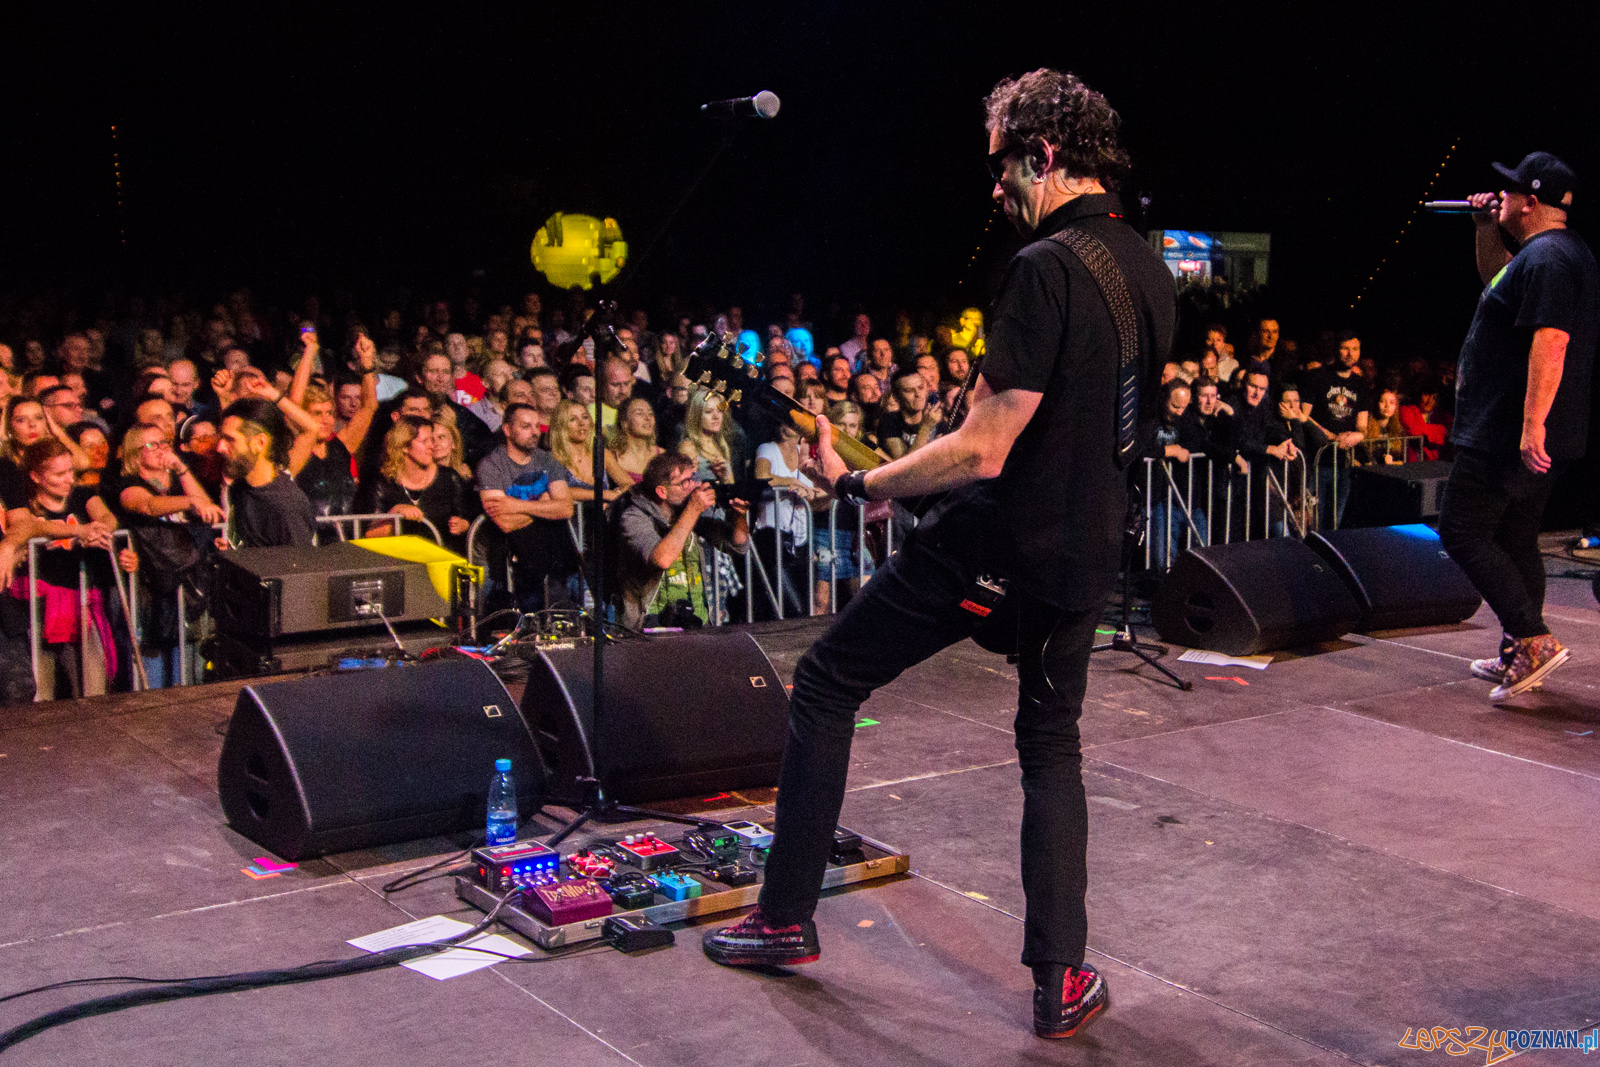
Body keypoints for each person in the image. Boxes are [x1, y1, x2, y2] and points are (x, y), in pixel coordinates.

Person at [700, 68, 1174, 1042]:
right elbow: (1090, 431)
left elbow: (987, 445)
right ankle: (1062, 978)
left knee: (828, 680)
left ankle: (784, 915)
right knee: (1051, 745)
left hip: (993, 548)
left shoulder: (1045, 269)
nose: (990, 185)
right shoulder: (1145, 264)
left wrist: (862, 484)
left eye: (1000, 163)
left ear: (1041, 156)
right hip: (1086, 555)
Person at [1440, 153, 1598, 700]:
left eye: (1507, 194)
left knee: (1460, 530)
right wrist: (1486, 226)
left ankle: (1533, 639)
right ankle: (1520, 651)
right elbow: (1495, 280)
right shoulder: (1545, 253)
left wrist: (1532, 425)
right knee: (1514, 537)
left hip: (1507, 432)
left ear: (1530, 202)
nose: (1497, 196)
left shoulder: (1551, 259)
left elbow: (1551, 342)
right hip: (1520, 431)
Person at [4, 439, 136, 698]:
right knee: (42, 686)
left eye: (71, 472)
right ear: (36, 477)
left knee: (92, 682)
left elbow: (107, 517)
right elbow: (28, 530)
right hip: (40, 601)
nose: (68, 480)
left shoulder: (82, 495)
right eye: (59, 474)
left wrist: (101, 529)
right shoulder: (27, 507)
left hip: (80, 600)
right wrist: (77, 533)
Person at [117, 423, 224, 688]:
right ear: (134, 453)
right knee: (155, 663)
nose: (161, 449)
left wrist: (181, 469)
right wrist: (189, 502)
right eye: (151, 445)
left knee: (190, 663)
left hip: (192, 579)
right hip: (153, 584)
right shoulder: (130, 484)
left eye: (164, 442)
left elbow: (206, 507)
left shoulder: (179, 481)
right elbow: (149, 505)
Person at [613, 452, 749, 630]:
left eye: (693, 477)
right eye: (685, 482)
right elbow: (662, 559)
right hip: (649, 628)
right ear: (662, 491)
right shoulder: (633, 517)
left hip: (696, 623)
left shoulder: (685, 512)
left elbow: (738, 545)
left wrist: (739, 516)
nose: (693, 486)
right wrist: (693, 509)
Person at [476, 402, 577, 610]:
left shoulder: (547, 460)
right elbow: (504, 521)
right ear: (507, 430)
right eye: (525, 426)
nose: (535, 432)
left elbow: (566, 509)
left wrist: (516, 505)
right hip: (510, 547)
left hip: (548, 546)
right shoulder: (491, 465)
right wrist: (544, 505)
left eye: (537, 426)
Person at [288, 334, 379, 517]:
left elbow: (369, 407)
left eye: (329, 413)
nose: (326, 420)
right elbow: (295, 402)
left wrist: (367, 362)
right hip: (310, 541)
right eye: (317, 413)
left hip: (344, 537)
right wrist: (310, 352)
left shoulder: (341, 446)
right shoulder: (296, 452)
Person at [216, 398, 316, 549]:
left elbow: (299, 568)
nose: (220, 447)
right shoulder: (239, 489)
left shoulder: (286, 506)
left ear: (259, 443)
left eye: (230, 439)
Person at [360, 416, 472, 552]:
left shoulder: (449, 477)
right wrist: (395, 513)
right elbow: (370, 535)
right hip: (401, 562)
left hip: (440, 559)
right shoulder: (383, 483)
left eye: (432, 439)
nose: (432, 445)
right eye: (425, 441)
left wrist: (462, 525)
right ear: (405, 446)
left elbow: (468, 519)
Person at [1301, 331, 1370, 526]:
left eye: (1355, 349)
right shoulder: (1317, 376)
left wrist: (1357, 435)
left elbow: (1363, 425)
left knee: (1335, 522)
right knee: (1315, 522)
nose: (1350, 354)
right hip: (1318, 460)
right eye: (1345, 348)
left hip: (1345, 463)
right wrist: (1330, 436)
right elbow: (1303, 415)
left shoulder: (1360, 384)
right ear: (1336, 349)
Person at [547, 399, 627, 503]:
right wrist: (604, 494)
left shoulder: (601, 453)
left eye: (585, 417)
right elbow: (560, 491)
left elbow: (629, 484)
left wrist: (621, 491)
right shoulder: (554, 458)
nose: (581, 423)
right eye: (573, 419)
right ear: (561, 425)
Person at [606, 396, 664, 486]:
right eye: (640, 414)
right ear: (625, 423)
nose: (648, 418)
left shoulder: (661, 455)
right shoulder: (613, 458)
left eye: (650, 413)